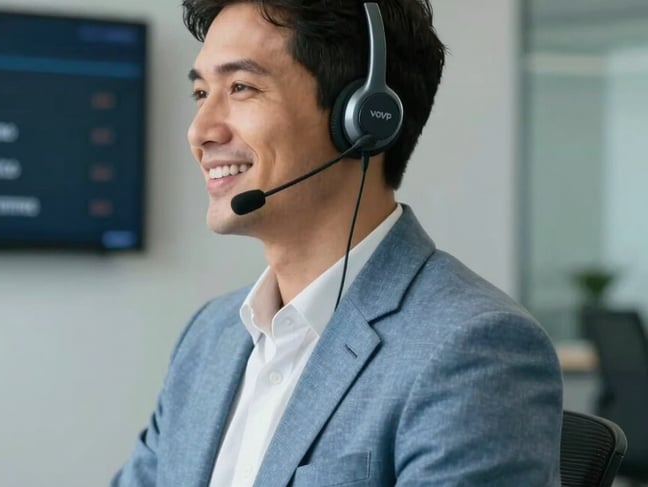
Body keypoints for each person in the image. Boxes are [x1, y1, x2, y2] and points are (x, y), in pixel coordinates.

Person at [111, 0, 563, 485]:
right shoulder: (209, 338)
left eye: (241, 87)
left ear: (364, 119)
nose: (199, 131)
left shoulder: (472, 349)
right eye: (202, 93)